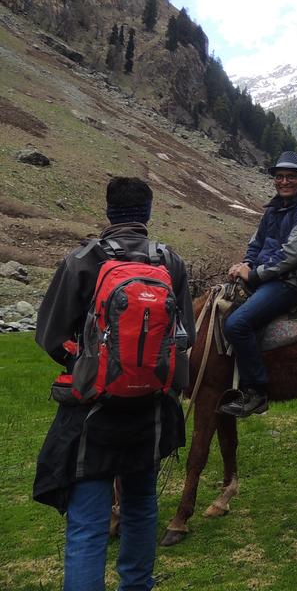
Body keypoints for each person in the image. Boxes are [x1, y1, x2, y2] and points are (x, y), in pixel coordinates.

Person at [33, 177, 196, 591]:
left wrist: (88, 363)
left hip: (93, 412)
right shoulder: (170, 262)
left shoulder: (82, 260)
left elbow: (49, 336)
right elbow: (185, 338)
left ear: (108, 211)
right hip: (151, 410)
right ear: (147, 213)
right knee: (141, 507)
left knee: (88, 524)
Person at [219, 151, 297, 418]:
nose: (284, 182)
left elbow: (294, 254)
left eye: (291, 177)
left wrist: (254, 275)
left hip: (291, 282)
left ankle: (256, 392)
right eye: (279, 177)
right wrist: (245, 265)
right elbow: (257, 243)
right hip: (268, 277)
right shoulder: (274, 209)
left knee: (237, 323)